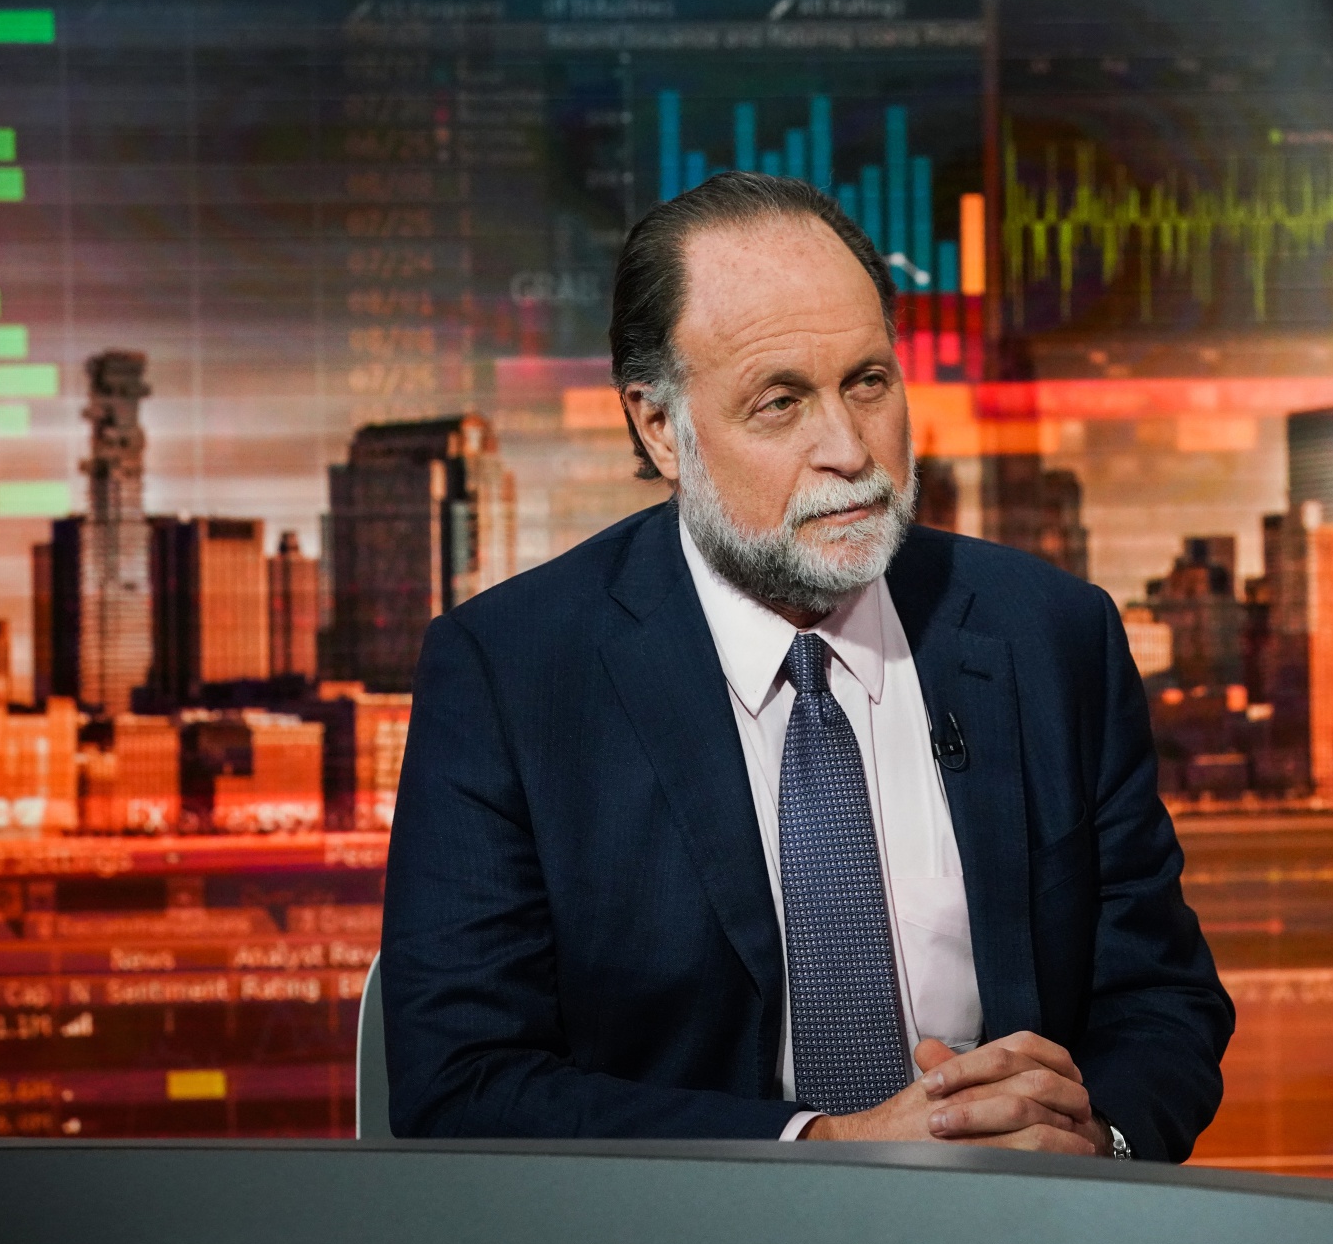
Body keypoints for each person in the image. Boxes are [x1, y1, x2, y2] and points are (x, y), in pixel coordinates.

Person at [381, 172, 1232, 1159]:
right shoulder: (510, 672)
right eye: (779, 402)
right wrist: (825, 1144)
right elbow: (463, 1081)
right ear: (661, 427)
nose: (848, 448)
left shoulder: (1052, 634)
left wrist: (1095, 1137)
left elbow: (1160, 1000)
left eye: (867, 383)